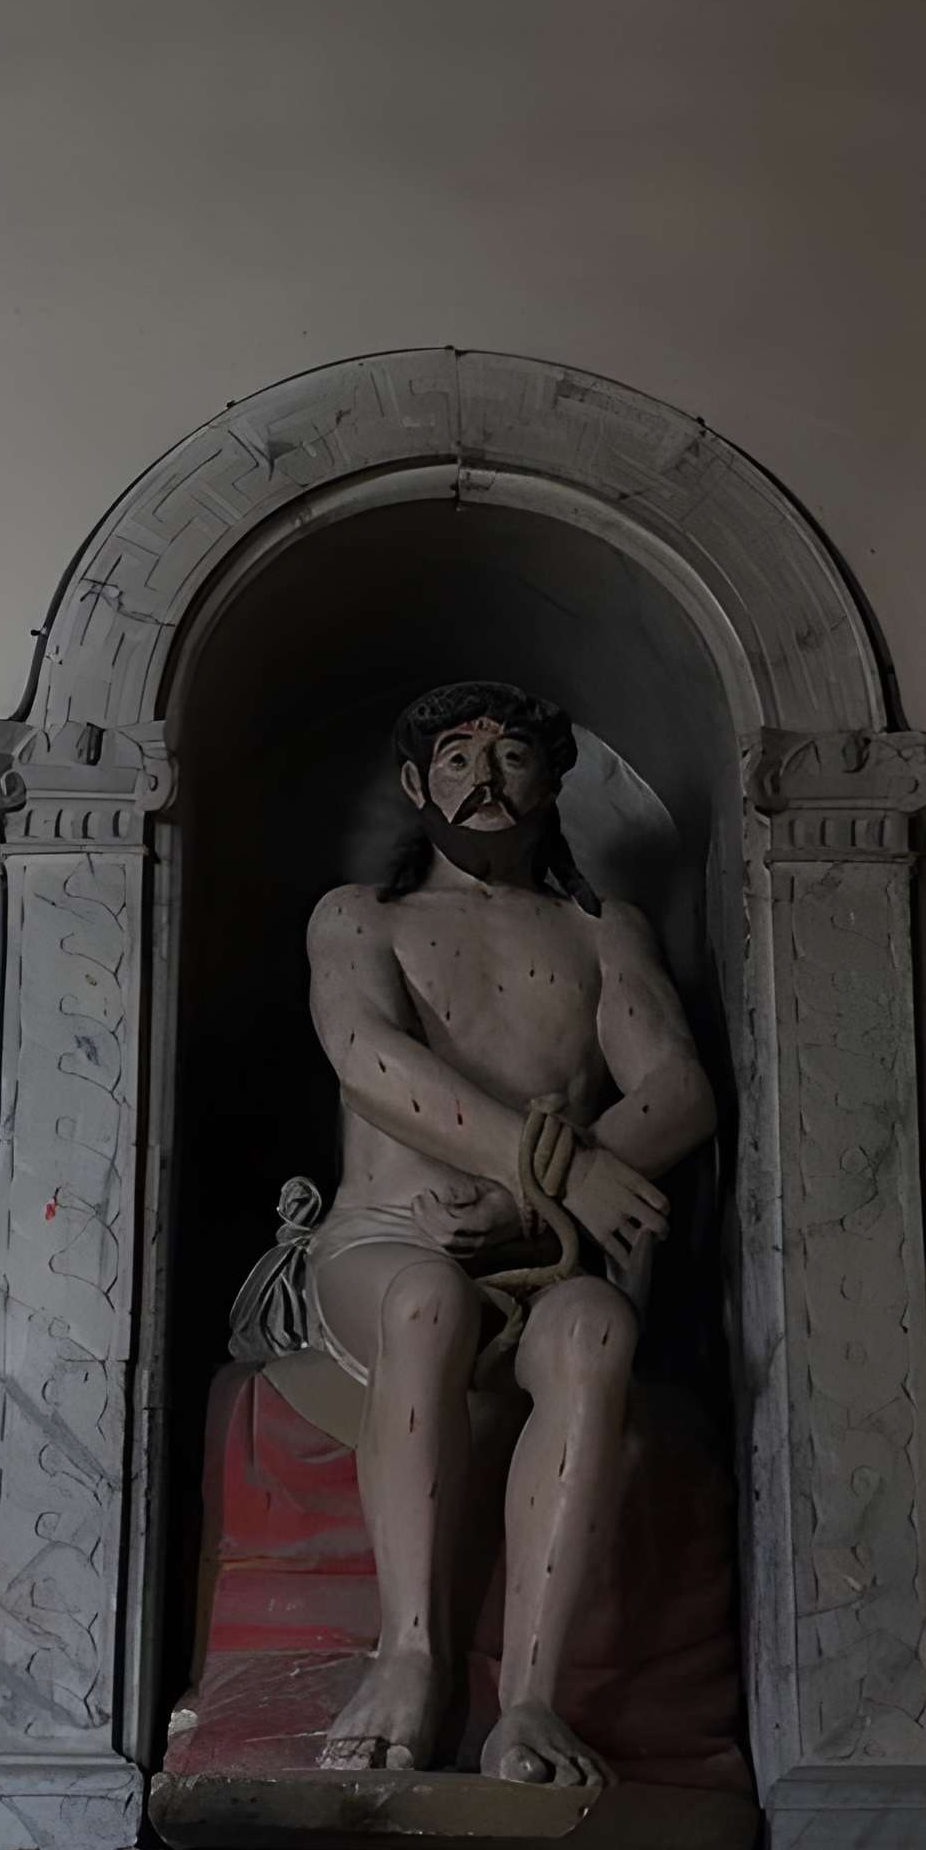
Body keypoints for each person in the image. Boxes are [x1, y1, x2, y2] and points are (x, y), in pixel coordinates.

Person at [303, 681, 715, 1785]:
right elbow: (370, 1062)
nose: (482, 779)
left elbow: (676, 1090)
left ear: (552, 778)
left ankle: (529, 1703)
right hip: (389, 1238)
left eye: (510, 757)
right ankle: (410, 1657)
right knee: (426, 1303)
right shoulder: (359, 917)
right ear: (413, 784)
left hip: (549, 1252)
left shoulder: (602, 931)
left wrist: (529, 1207)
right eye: (453, 760)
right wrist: (562, 1166)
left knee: (593, 1336)